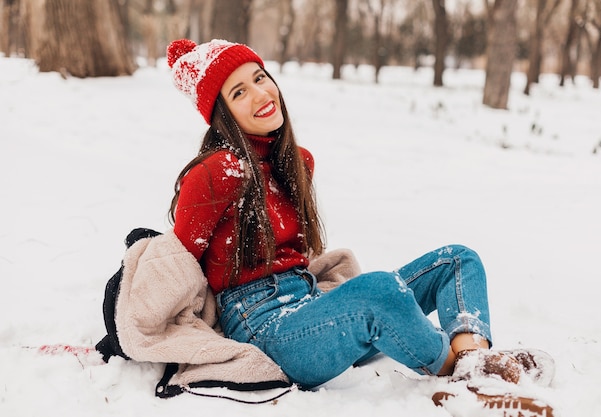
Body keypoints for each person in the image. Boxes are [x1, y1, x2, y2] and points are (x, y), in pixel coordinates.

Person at [164, 39, 546, 391]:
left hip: (314, 310)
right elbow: (179, 265)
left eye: (260, 78)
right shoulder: (215, 174)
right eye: (239, 92)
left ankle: (474, 359)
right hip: (266, 331)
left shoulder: (295, 163)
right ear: (222, 115)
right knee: (378, 290)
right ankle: (463, 376)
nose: (261, 94)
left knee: (457, 260)